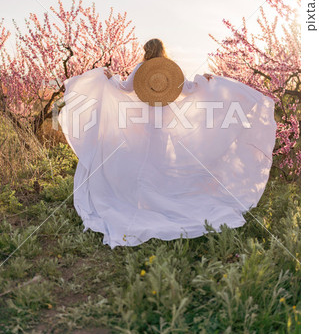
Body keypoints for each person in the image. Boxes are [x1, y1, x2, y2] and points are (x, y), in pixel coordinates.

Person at [58, 38, 277, 249]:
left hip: (142, 125)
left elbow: (124, 88)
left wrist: (109, 79)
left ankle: (142, 198)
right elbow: (190, 88)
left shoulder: (140, 69)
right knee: (160, 161)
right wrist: (205, 80)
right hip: (163, 126)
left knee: (143, 161)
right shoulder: (172, 70)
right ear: (163, 50)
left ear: (146, 50)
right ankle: (157, 195)